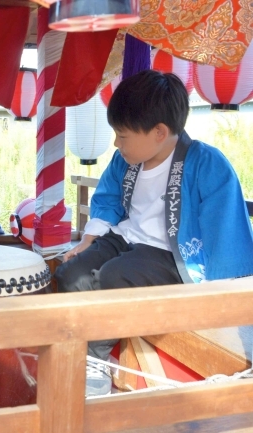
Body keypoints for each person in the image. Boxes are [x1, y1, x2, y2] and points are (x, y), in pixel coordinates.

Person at [54, 70, 253, 397]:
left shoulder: (206, 163)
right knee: (71, 272)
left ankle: (94, 359)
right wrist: (87, 241)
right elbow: (105, 199)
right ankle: (73, 344)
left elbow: (224, 229)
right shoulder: (126, 161)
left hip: (172, 255)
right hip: (126, 239)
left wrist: (222, 296)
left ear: (159, 132)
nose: (117, 144)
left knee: (116, 275)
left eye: (122, 135)